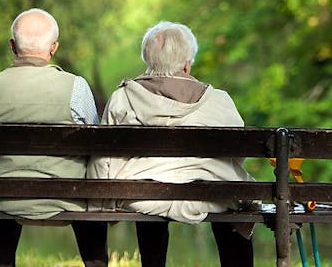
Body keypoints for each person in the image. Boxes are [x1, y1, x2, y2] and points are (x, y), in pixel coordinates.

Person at [88, 21, 255, 267]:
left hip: (142, 195)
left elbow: (106, 156)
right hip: (210, 194)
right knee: (231, 198)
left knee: (148, 191)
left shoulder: (122, 97)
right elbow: (237, 155)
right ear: (187, 64)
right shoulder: (219, 100)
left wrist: (99, 197)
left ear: (148, 61)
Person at [0, 8, 108, 267]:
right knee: (89, 188)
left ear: (12, 46)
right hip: (70, 197)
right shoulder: (76, 86)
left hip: (4, 199)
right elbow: (94, 149)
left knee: (1, 190)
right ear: (53, 48)